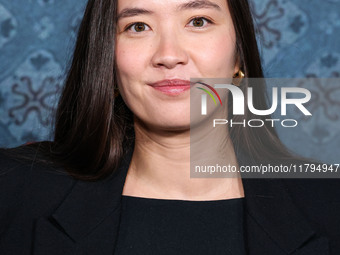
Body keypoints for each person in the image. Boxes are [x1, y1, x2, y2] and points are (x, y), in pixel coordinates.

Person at [0, 0, 339, 254]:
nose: (168, 54)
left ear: (238, 54)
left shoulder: (328, 203)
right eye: (137, 26)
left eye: (198, 20)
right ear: (107, 56)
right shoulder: (13, 190)